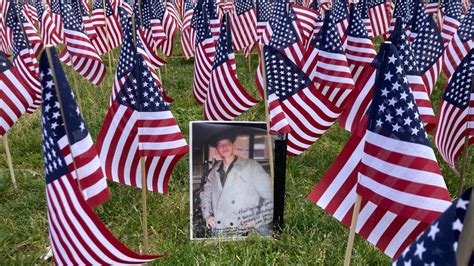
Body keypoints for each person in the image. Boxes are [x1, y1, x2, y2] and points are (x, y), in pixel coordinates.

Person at [200, 131, 273, 237]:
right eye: (221, 145)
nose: (225, 147)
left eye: (228, 143)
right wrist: (207, 215)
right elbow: (205, 195)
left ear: (233, 145)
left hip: (247, 230)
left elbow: (271, 197)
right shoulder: (214, 171)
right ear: (217, 149)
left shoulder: (251, 166)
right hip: (220, 229)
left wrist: (256, 221)